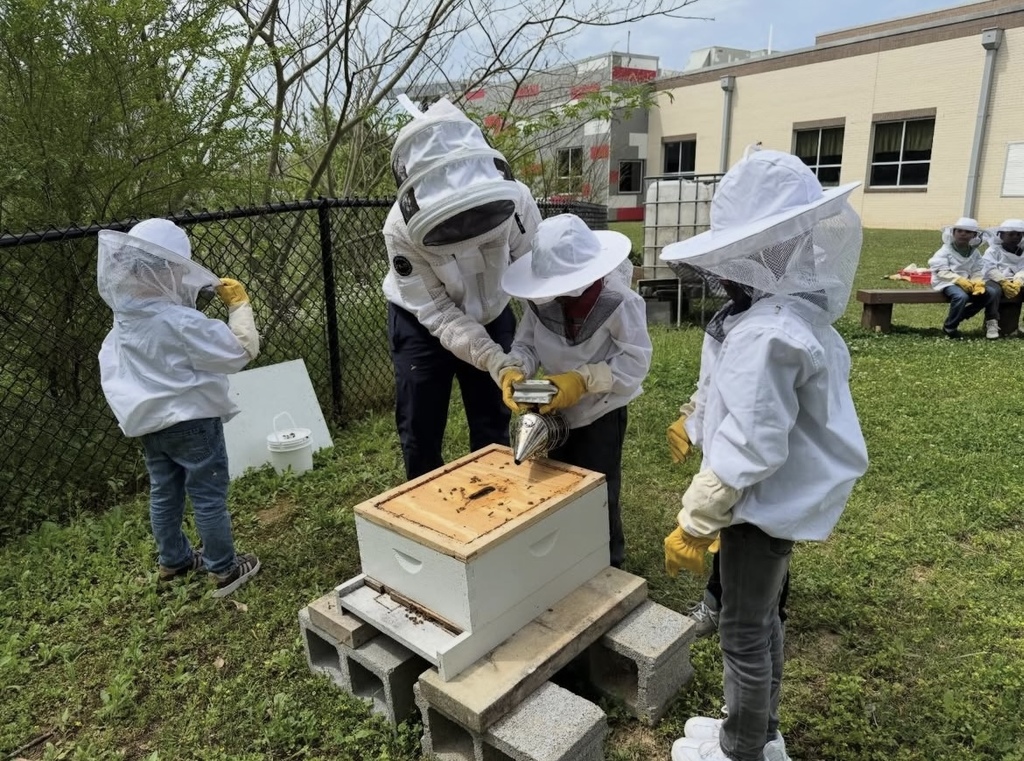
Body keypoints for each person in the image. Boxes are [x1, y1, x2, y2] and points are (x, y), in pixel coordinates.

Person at [660, 148, 869, 761]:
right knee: (764, 622)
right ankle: (758, 731)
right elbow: (742, 404)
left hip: (755, 507)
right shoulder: (786, 317)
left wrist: (695, 522)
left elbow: (752, 445)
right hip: (769, 505)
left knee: (744, 633)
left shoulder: (768, 332)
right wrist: (695, 418)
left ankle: (742, 748)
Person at [97, 218, 261, 598]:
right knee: (207, 494)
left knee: (164, 493)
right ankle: (224, 570)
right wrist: (240, 306)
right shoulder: (178, 320)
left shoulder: (123, 321)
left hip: (152, 426)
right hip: (193, 422)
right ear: (171, 269)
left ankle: (174, 560)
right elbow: (240, 351)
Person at [383, 96, 541, 479]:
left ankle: (495, 500)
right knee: (421, 427)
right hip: (421, 321)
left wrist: (522, 356)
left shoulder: (516, 200)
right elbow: (437, 309)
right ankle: (427, 519)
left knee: (493, 416)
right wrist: (491, 358)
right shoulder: (400, 229)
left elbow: (539, 279)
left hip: (492, 311)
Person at [499, 214, 652, 568]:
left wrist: (583, 380)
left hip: (600, 411)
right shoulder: (541, 303)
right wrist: (514, 368)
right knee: (556, 485)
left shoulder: (620, 302)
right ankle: (565, 559)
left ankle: (610, 564)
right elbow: (526, 345)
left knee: (598, 491)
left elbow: (635, 364)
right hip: (553, 410)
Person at [927, 217, 1000, 339]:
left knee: (991, 293)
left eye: (967, 232)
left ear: (974, 235)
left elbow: (978, 269)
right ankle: (950, 327)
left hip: (967, 281)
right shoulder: (945, 250)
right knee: (961, 296)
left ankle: (960, 315)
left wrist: (977, 282)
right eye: (959, 231)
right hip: (946, 282)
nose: (963, 234)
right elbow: (940, 270)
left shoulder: (974, 252)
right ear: (953, 233)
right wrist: (959, 280)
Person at [982, 219, 1024, 336]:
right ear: (1001, 235)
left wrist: (1018, 281)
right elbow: (989, 268)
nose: (1015, 237)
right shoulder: (993, 250)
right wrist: (1003, 282)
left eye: (1018, 234)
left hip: (1015, 280)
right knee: (993, 291)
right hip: (994, 280)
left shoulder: (1022, 252)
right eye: (1011, 234)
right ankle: (992, 322)